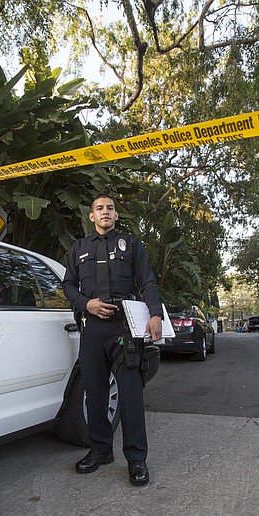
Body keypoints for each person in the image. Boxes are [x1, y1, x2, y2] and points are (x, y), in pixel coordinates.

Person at [62, 192, 164, 486]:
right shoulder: (78, 248)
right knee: (94, 392)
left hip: (125, 327)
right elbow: (68, 284)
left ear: (116, 215)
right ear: (91, 216)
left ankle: (136, 459)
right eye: (99, 208)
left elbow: (147, 280)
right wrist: (85, 304)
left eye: (110, 208)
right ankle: (100, 450)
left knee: (130, 394)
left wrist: (155, 314)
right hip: (92, 327)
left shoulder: (131, 244)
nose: (105, 212)